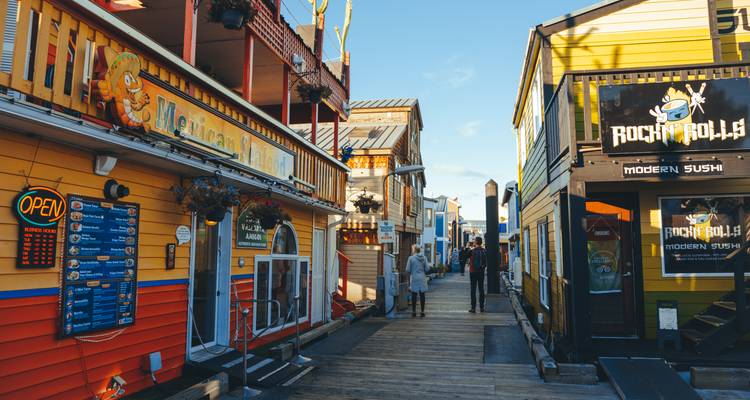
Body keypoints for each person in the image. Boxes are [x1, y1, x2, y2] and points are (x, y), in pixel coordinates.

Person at [406, 244, 430, 317]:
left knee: (414, 294)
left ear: (414, 250)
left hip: (414, 277)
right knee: (422, 295)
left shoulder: (411, 258)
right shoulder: (424, 258)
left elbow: (408, 269)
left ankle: (414, 311)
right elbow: (427, 269)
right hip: (422, 277)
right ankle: (422, 312)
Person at [468, 237, 487, 313]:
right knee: (481, 289)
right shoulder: (484, 251)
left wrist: (468, 246)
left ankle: (473, 308)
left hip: (473, 272)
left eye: (474, 241)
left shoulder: (472, 251)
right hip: (481, 272)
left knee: (473, 289)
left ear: (476, 242)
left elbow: (466, 255)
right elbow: (486, 262)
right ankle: (482, 307)